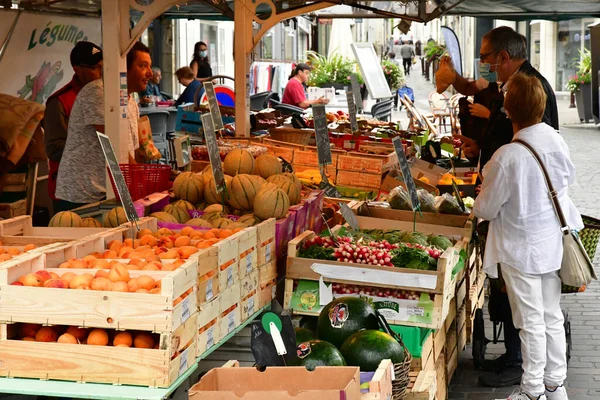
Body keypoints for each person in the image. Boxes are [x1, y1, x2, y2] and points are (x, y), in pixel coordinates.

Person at [435, 26, 560, 388]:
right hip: (525, 223)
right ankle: (536, 373)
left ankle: (528, 375)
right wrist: (481, 147)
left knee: (528, 311)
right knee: (531, 310)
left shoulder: (528, 89)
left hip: (523, 225)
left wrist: (495, 171)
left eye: (487, 58)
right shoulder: (520, 85)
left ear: (504, 58)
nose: (485, 66)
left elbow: (530, 149)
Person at [474, 72, 580, 400]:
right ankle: (555, 383)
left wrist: (481, 192)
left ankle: (532, 390)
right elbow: (567, 179)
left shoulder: (507, 157)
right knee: (549, 314)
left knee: (530, 320)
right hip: (551, 243)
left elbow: (485, 209)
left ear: (508, 110)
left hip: (520, 249)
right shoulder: (554, 139)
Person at [55, 41, 152, 212]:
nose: (150, 73)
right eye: (143, 66)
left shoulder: (131, 101)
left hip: (108, 193)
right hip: (82, 196)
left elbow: (133, 150)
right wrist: (144, 179)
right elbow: (114, 142)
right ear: (124, 67)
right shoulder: (98, 92)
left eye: (150, 66)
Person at [44, 41, 103, 213]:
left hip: (98, 186)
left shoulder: (107, 96)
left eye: (103, 67)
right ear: (77, 69)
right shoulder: (60, 101)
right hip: (71, 191)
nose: (101, 73)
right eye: (95, 68)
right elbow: (53, 148)